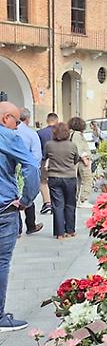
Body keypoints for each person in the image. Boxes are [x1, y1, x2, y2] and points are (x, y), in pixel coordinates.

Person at [0, 102, 37, 331]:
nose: (17, 126)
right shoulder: (7, 136)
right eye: (15, 120)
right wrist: (26, 200)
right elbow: (32, 167)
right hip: (4, 209)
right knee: (1, 261)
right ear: (6, 119)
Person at [43, 121, 85, 239]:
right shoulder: (72, 145)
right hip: (70, 177)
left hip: (54, 177)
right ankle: (70, 230)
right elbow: (76, 159)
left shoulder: (49, 145)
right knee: (70, 204)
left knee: (57, 205)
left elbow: (45, 156)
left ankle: (59, 232)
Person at [15, 109, 41, 234]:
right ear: (28, 119)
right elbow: (36, 156)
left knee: (13, 197)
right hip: (26, 168)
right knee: (28, 195)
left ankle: (17, 229)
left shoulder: (8, 133)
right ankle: (30, 225)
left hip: (13, 169)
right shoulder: (31, 134)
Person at [68, 118, 94, 207]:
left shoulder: (71, 134)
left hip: (77, 161)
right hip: (82, 161)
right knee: (87, 179)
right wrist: (85, 160)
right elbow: (78, 148)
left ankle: (76, 199)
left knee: (78, 181)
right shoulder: (77, 135)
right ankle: (83, 199)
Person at [37, 112, 57, 214]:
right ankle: (56, 203)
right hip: (58, 160)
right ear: (56, 120)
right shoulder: (60, 132)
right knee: (56, 182)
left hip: (44, 160)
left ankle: (47, 203)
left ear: (47, 120)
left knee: (43, 182)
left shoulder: (40, 133)